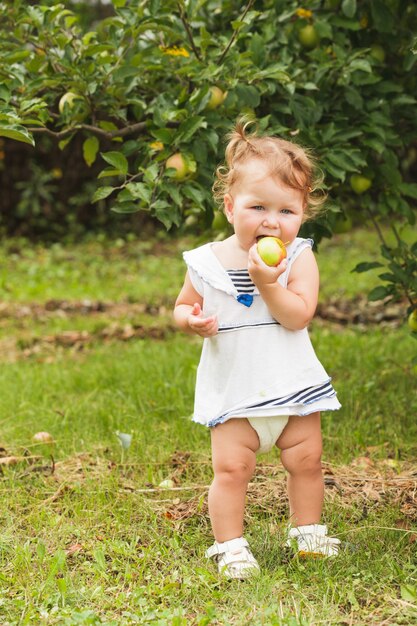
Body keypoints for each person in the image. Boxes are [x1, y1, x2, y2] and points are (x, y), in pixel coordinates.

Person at [173, 119, 341, 579]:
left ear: (303, 213)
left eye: (287, 210)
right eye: (258, 206)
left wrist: (269, 284)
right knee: (231, 470)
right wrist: (192, 320)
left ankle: (308, 531)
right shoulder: (206, 262)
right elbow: (182, 306)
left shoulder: (299, 257)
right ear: (230, 207)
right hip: (236, 391)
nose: (272, 221)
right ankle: (230, 545)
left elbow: (297, 315)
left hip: (292, 384)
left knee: (307, 462)